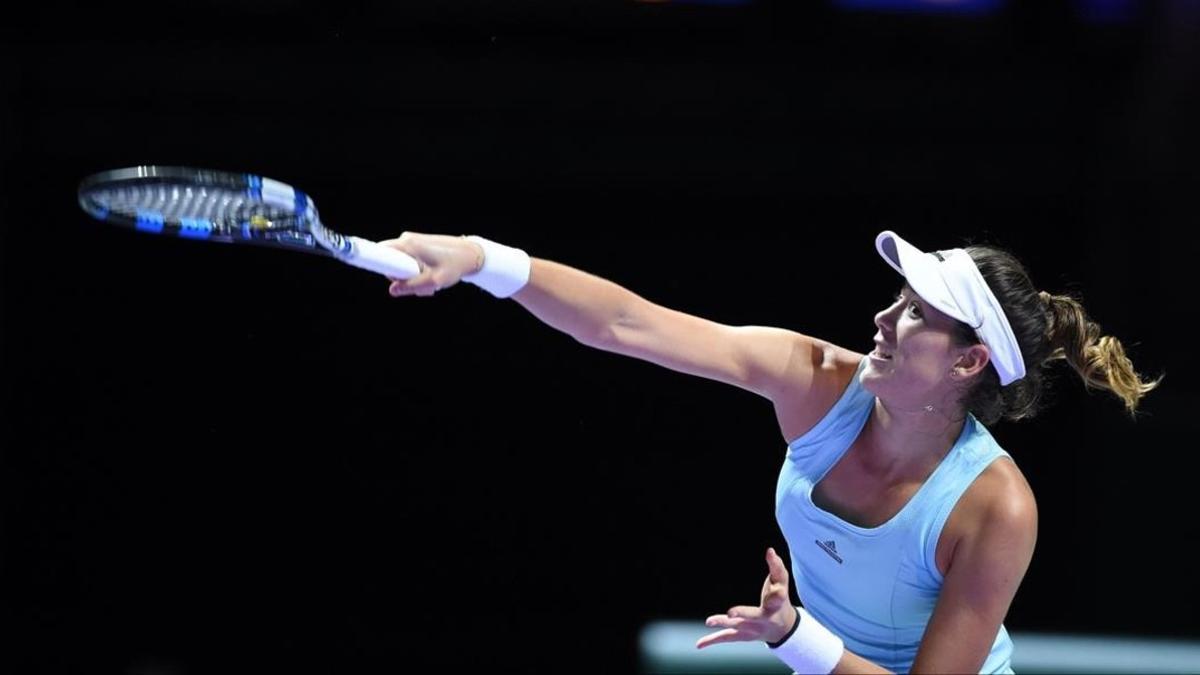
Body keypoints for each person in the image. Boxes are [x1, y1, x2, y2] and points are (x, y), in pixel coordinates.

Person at [378, 230, 1160, 674]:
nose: (884, 318)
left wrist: (796, 637)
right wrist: (481, 259)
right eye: (898, 298)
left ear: (968, 361)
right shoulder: (817, 381)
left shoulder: (996, 505)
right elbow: (627, 324)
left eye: (917, 313)